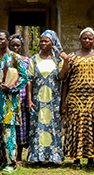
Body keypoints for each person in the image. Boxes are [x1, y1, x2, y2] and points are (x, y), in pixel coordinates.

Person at [60, 27, 94, 169]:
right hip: (75, 98)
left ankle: (91, 158)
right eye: (84, 38)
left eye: (90, 38)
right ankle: (76, 158)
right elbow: (65, 79)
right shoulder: (72, 57)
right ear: (80, 40)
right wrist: (64, 102)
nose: (87, 40)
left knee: (92, 128)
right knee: (76, 127)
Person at [0, 31, 27, 173]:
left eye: (2, 39)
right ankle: (1, 161)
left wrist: (11, 88)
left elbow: (24, 78)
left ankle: (11, 163)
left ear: (7, 41)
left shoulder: (15, 58)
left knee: (8, 133)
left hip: (9, 103)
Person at [25, 30, 66, 165]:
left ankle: (53, 157)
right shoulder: (33, 59)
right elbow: (29, 80)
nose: (43, 43)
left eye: (46, 41)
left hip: (54, 100)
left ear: (52, 43)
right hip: (38, 99)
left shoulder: (57, 60)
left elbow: (63, 77)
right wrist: (29, 99)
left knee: (53, 126)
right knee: (37, 126)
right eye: (41, 41)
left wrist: (66, 60)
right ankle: (37, 157)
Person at [8, 34, 32, 164]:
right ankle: (10, 154)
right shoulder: (5, 60)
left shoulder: (27, 61)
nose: (15, 48)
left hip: (21, 96)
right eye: (13, 46)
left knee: (21, 125)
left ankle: (19, 155)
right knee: (10, 125)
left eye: (18, 45)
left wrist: (28, 99)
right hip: (8, 96)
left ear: (21, 47)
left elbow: (28, 81)